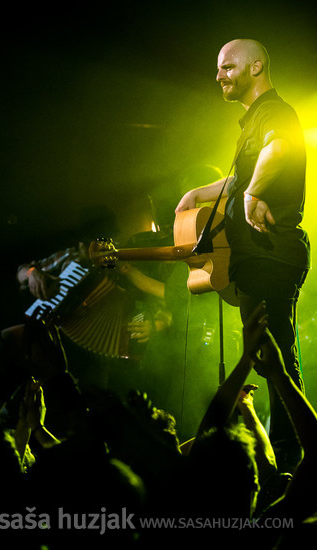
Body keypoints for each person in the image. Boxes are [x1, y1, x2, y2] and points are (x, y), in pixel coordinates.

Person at [175, 38, 310, 473]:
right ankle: (293, 459)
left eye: (227, 67)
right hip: (257, 261)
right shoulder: (253, 121)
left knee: (277, 361)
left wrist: (254, 192)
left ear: (255, 68)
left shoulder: (275, 113)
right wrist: (199, 193)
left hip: (273, 256)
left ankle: (294, 464)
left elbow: (281, 148)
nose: (219, 76)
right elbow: (238, 180)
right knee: (273, 359)